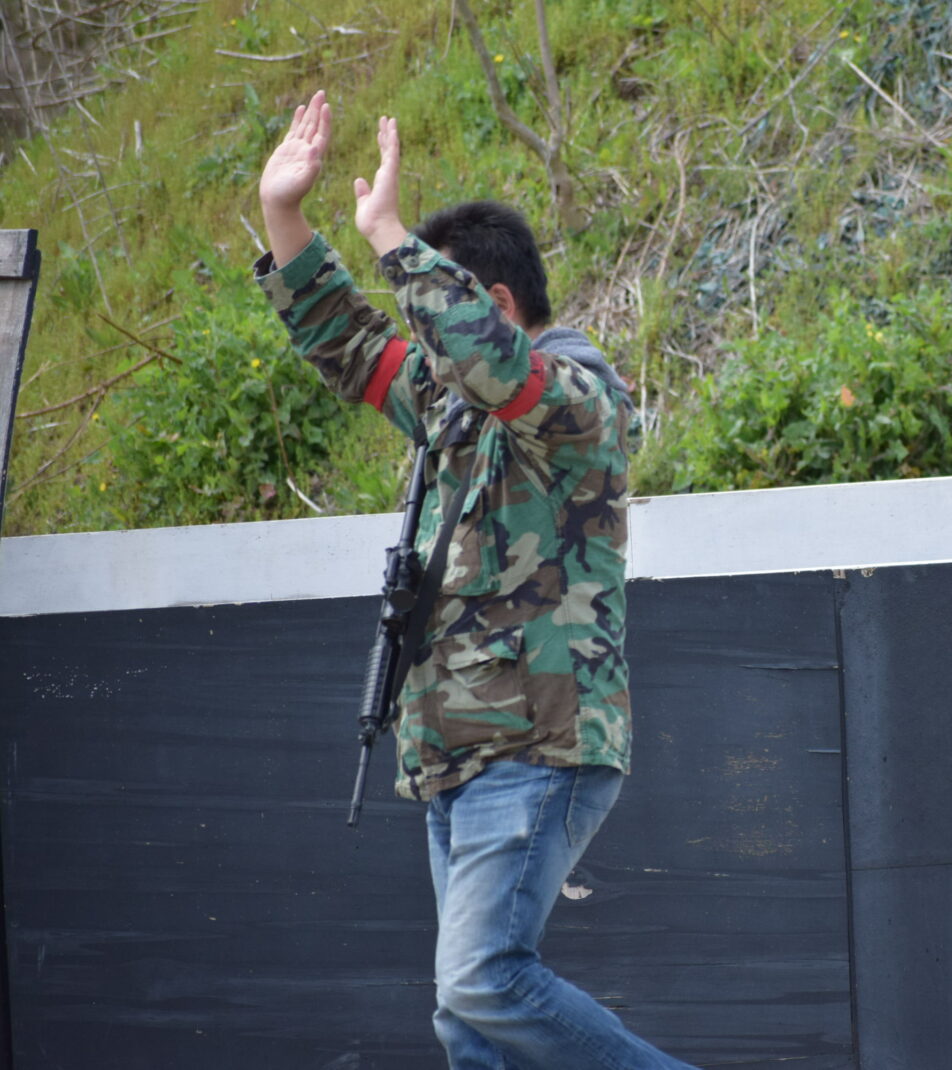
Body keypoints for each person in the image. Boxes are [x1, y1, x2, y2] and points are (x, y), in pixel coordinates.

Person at [253, 90, 696, 1070]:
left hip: (535, 742)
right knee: (468, 1019)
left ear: (491, 306)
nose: (426, 346)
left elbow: (497, 366)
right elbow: (351, 345)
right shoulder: (453, 407)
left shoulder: (577, 398)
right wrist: (286, 214)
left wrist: (389, 236)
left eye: (436, 310)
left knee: (484, 980)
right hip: (459, 753)